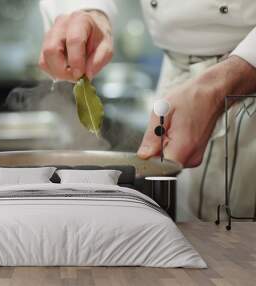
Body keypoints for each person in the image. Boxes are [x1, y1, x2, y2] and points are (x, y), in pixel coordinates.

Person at [38, 0, 256, 220]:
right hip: (177, 78)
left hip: (248, 88)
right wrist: (89, 10)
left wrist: (221, 84)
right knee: (188, 234)